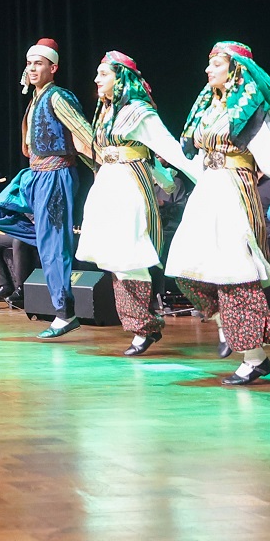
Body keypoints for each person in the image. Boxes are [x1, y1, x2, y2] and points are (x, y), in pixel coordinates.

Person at [160, 42, 270, 386]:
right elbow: (193, 159)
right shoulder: (208, 108)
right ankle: (229, 325)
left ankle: (253, 358)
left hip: (235, 191)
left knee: (236, 275)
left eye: (216, 64)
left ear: (235, 69)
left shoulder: (250, 110)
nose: (208, 71)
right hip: (207, 190)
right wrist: (162, 178)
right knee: (184, 269)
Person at [74, 52, 196, 356]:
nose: (96, 79)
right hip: (107, 184)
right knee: (115, 260)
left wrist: (204, 179)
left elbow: (168, 149)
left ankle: (143, 327)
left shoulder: (139, 112)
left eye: (103, 74)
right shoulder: (105, 113)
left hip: (130, 186)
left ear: (120, 78)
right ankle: (142, 326)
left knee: (130, 256)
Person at [0, 39, 95, 338]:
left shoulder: (58, 96)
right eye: (29, 63)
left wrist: (103, 166)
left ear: (53, 67)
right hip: (34, 174)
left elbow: (84, 131)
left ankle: (64, 312)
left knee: (53, 244)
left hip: (57, 173)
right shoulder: (36, 98)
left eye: (39, 63)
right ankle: (53, 241)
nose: (32, 68)